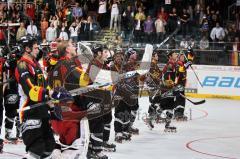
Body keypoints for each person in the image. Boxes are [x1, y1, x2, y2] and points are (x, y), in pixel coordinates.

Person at [15, 35, 56, 158]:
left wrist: (52, 98)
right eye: (35, 48)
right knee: (36, 148)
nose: (38, 50)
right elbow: (31, 90)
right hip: (30, 110)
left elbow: (44, 85)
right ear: (27, 49)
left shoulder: (36, 64)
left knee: (49, 146)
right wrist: (48, 93)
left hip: (42, 110)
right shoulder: (22, 65)